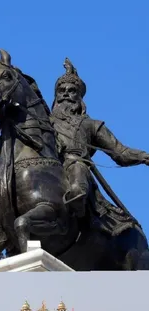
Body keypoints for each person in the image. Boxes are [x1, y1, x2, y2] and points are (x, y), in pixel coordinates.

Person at [50, 58, 149, 221]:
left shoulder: (91, 125)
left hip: (76, 164)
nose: (66, 94)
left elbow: (120, 152)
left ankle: (78, 221)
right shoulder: (45, 121)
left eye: (72, 90)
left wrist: (144, 156)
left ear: (79, 97)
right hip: (49, 165)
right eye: (61, 91)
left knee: (77, 184)